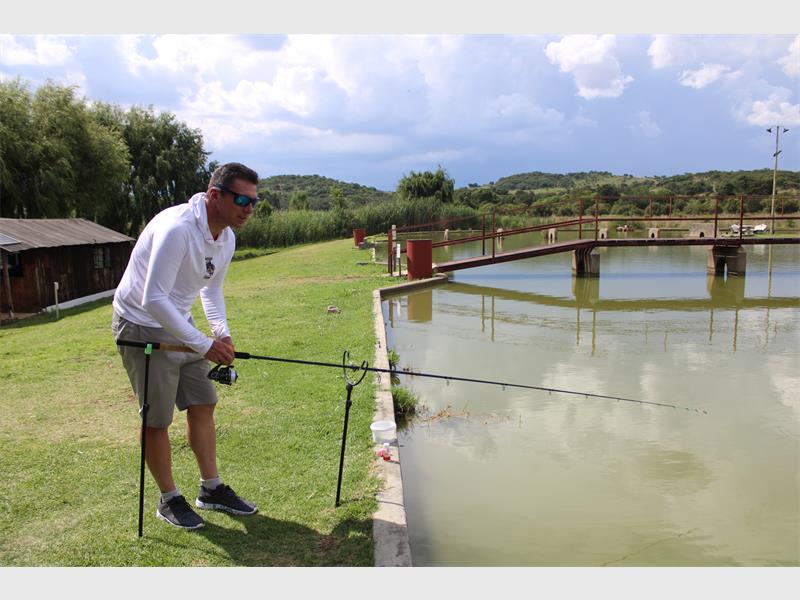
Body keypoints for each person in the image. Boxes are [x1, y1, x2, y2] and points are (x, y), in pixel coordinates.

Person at [112, 162, 260, 530]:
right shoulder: (179, 229)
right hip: (142, 325)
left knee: (203, 401)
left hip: (181, 323)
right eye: (242, 199)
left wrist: (220, 332)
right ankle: (169, 499)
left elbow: (210, 289)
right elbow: (152, 299)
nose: (249, 208)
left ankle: (210, 490)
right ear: (215, 196)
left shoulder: (226, 238)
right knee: (157, 418)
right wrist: (203, 344)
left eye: (254, 201)